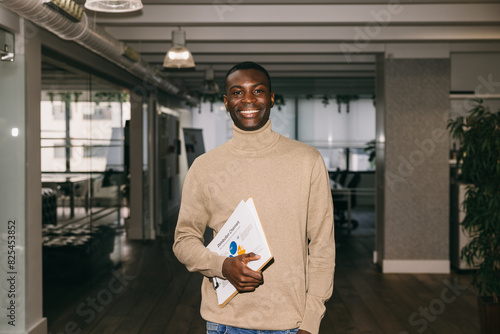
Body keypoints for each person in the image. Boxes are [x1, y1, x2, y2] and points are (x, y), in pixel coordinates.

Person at [173, 61, 335, 334]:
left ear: (271, 98)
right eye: (237, 92)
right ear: (226, 102)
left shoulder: (307, 161)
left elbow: (322, 246)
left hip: (291, 323)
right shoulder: (204, 167)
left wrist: (311, 319)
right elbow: (184, 240)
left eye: (258, 91)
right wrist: (221, 266)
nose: (248, 99)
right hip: (225, 323)